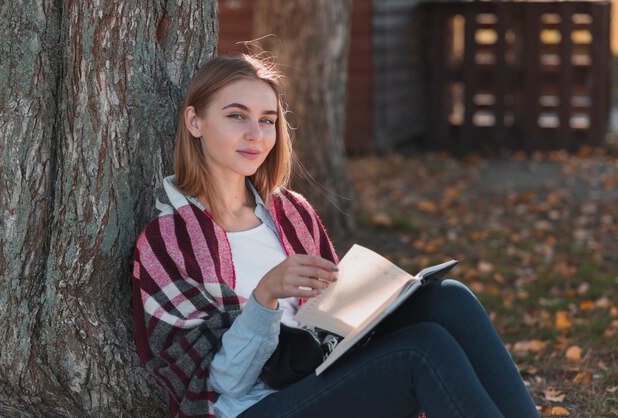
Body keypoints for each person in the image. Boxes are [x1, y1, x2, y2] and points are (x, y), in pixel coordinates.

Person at [131, 53, 539, 418]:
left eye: (267, 120)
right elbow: (220, 383)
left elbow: (329, 323)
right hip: (253, 407)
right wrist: (265, 296)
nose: (256, 133)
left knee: (449, 298)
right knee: (420, 350)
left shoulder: (290, 213)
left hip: (321, 378)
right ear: (195, 121)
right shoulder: (168, 241)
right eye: (236, 115)